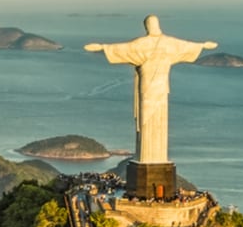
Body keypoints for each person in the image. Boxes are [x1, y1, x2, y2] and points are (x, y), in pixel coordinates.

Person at [85, 15, 216, 164]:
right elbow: (185, 46)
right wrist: (202, 45)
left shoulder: (154, 43)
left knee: (156, 118)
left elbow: (123, 49)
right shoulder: (163, 43)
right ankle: (148, 155)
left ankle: (156, 156)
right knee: (149, 117)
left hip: (156, 87)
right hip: (150, 87)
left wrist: (102, 47)